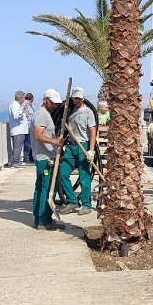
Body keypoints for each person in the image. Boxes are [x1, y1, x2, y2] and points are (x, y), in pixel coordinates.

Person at [57, 87, 98, 216]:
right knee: (63, 174)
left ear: (83, 98)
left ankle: (86, 204)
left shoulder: (88, 112)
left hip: (83, 146)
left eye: (79, 98)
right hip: (70, 146)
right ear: (72, 98)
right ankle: (72, 201)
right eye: (75, 98)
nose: (77, 100)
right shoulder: (68, 112)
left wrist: (91, 150)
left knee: (84, 178)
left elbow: (92, 131)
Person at [30, 89, 67, 230]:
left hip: (43, 157)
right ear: (45, 99)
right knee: (47, 189)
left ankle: (37, 219)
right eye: (52, 102)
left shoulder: (45, 114)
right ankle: (44, 220)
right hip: (45, 158)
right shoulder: (41, 115)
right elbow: (38, 136)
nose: (54, 106)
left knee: (40, 188)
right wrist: (55, 142)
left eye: (56, 103)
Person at [8, 91, 30, 168]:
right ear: (20, 98)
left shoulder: (18, 105)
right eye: (23, 98)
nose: (24, 100)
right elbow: (16, 116)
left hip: (20, 130)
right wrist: (23, 110)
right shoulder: (14, 105)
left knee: (19, 146)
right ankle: (15, 162)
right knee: (17, 146)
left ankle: (17, 161)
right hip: (18, 130)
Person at [21, 93, 36, 164]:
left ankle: (30, 157)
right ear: (32, 99)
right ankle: (26, 157)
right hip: (28, 126)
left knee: (30, 142)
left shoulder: (26, 104)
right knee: (28, 142)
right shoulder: (26, 105)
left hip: (29, 126)